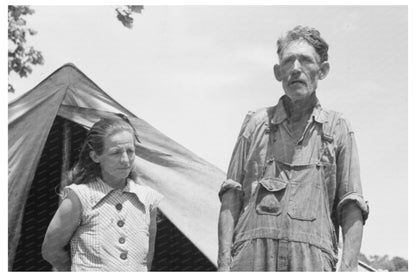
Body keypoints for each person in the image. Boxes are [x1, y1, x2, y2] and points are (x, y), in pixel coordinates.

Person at [217, 25, 369, 271]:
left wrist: (348, 270)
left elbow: (351, 205)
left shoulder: (338, 128)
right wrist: (224, 265)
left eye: (306, 60)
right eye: (289, 61)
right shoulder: (255, 123)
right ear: (278, 72)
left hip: (311, 262)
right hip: (251, 260)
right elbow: (231, 195)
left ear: (323, 70)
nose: (296, 69)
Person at [42, 115, 162, 271]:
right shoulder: (79, 198)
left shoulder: (147, 199)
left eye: (130, 151)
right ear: (95, 156)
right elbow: (51, 250)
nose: (125, 160)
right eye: (115, 153)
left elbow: (147, 259)